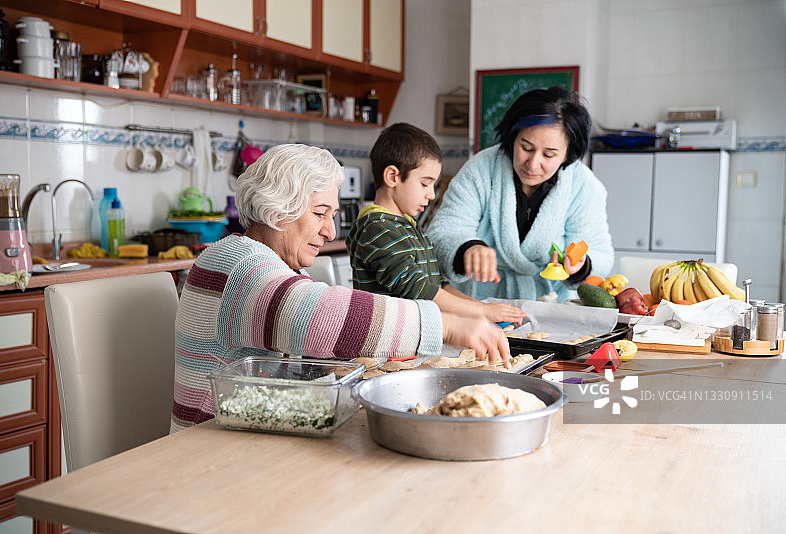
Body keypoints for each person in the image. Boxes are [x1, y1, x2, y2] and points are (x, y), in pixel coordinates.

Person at [171, 143, 510, 432]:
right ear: (278, 208)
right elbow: (319, 318)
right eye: (320, 214)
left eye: (332, 215)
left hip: (246, 431)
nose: (330, 231)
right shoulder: (239, 266)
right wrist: (446, 326)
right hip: (206, 447)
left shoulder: (270, 264)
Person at [427, 87, 613, 302]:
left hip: (550, 304)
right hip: (478, 303)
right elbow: (443, 232)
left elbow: (600, 255)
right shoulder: (480, 169)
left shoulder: (584, 186)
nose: (533, 164)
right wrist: (467, 249)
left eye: (549, 154)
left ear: (567, 155)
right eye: (526, 148)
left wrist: (581, 266)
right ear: (512, 137)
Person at [346, 122, 526, 323]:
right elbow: (418, 289)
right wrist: (481, 311)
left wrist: (484, 310)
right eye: (425, 183)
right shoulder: (378, 228)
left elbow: (437, 285)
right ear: (392, 177)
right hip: (390, 338)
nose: (431, 194)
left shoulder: (408, 226)